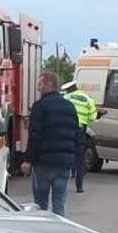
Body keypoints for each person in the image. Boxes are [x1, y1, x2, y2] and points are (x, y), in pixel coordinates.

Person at [20, 72, 80, 216]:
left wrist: (28, 160)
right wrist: (74, 161)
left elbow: (35, 135)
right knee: (59, 204)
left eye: (40, 84)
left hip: (44, 163)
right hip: (64, 164)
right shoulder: (70, 106)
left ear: (48, 85)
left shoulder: (40, 106)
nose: (38, 87)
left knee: (40, 205)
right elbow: (76, 135)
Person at [62, 80, 98, 193]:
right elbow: (93, 117)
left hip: (67, 129)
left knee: (65, 154)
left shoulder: (66, 97)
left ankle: (63, 181)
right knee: (80, 157)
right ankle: (79, 186)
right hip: (80, 130)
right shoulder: (88, 100)